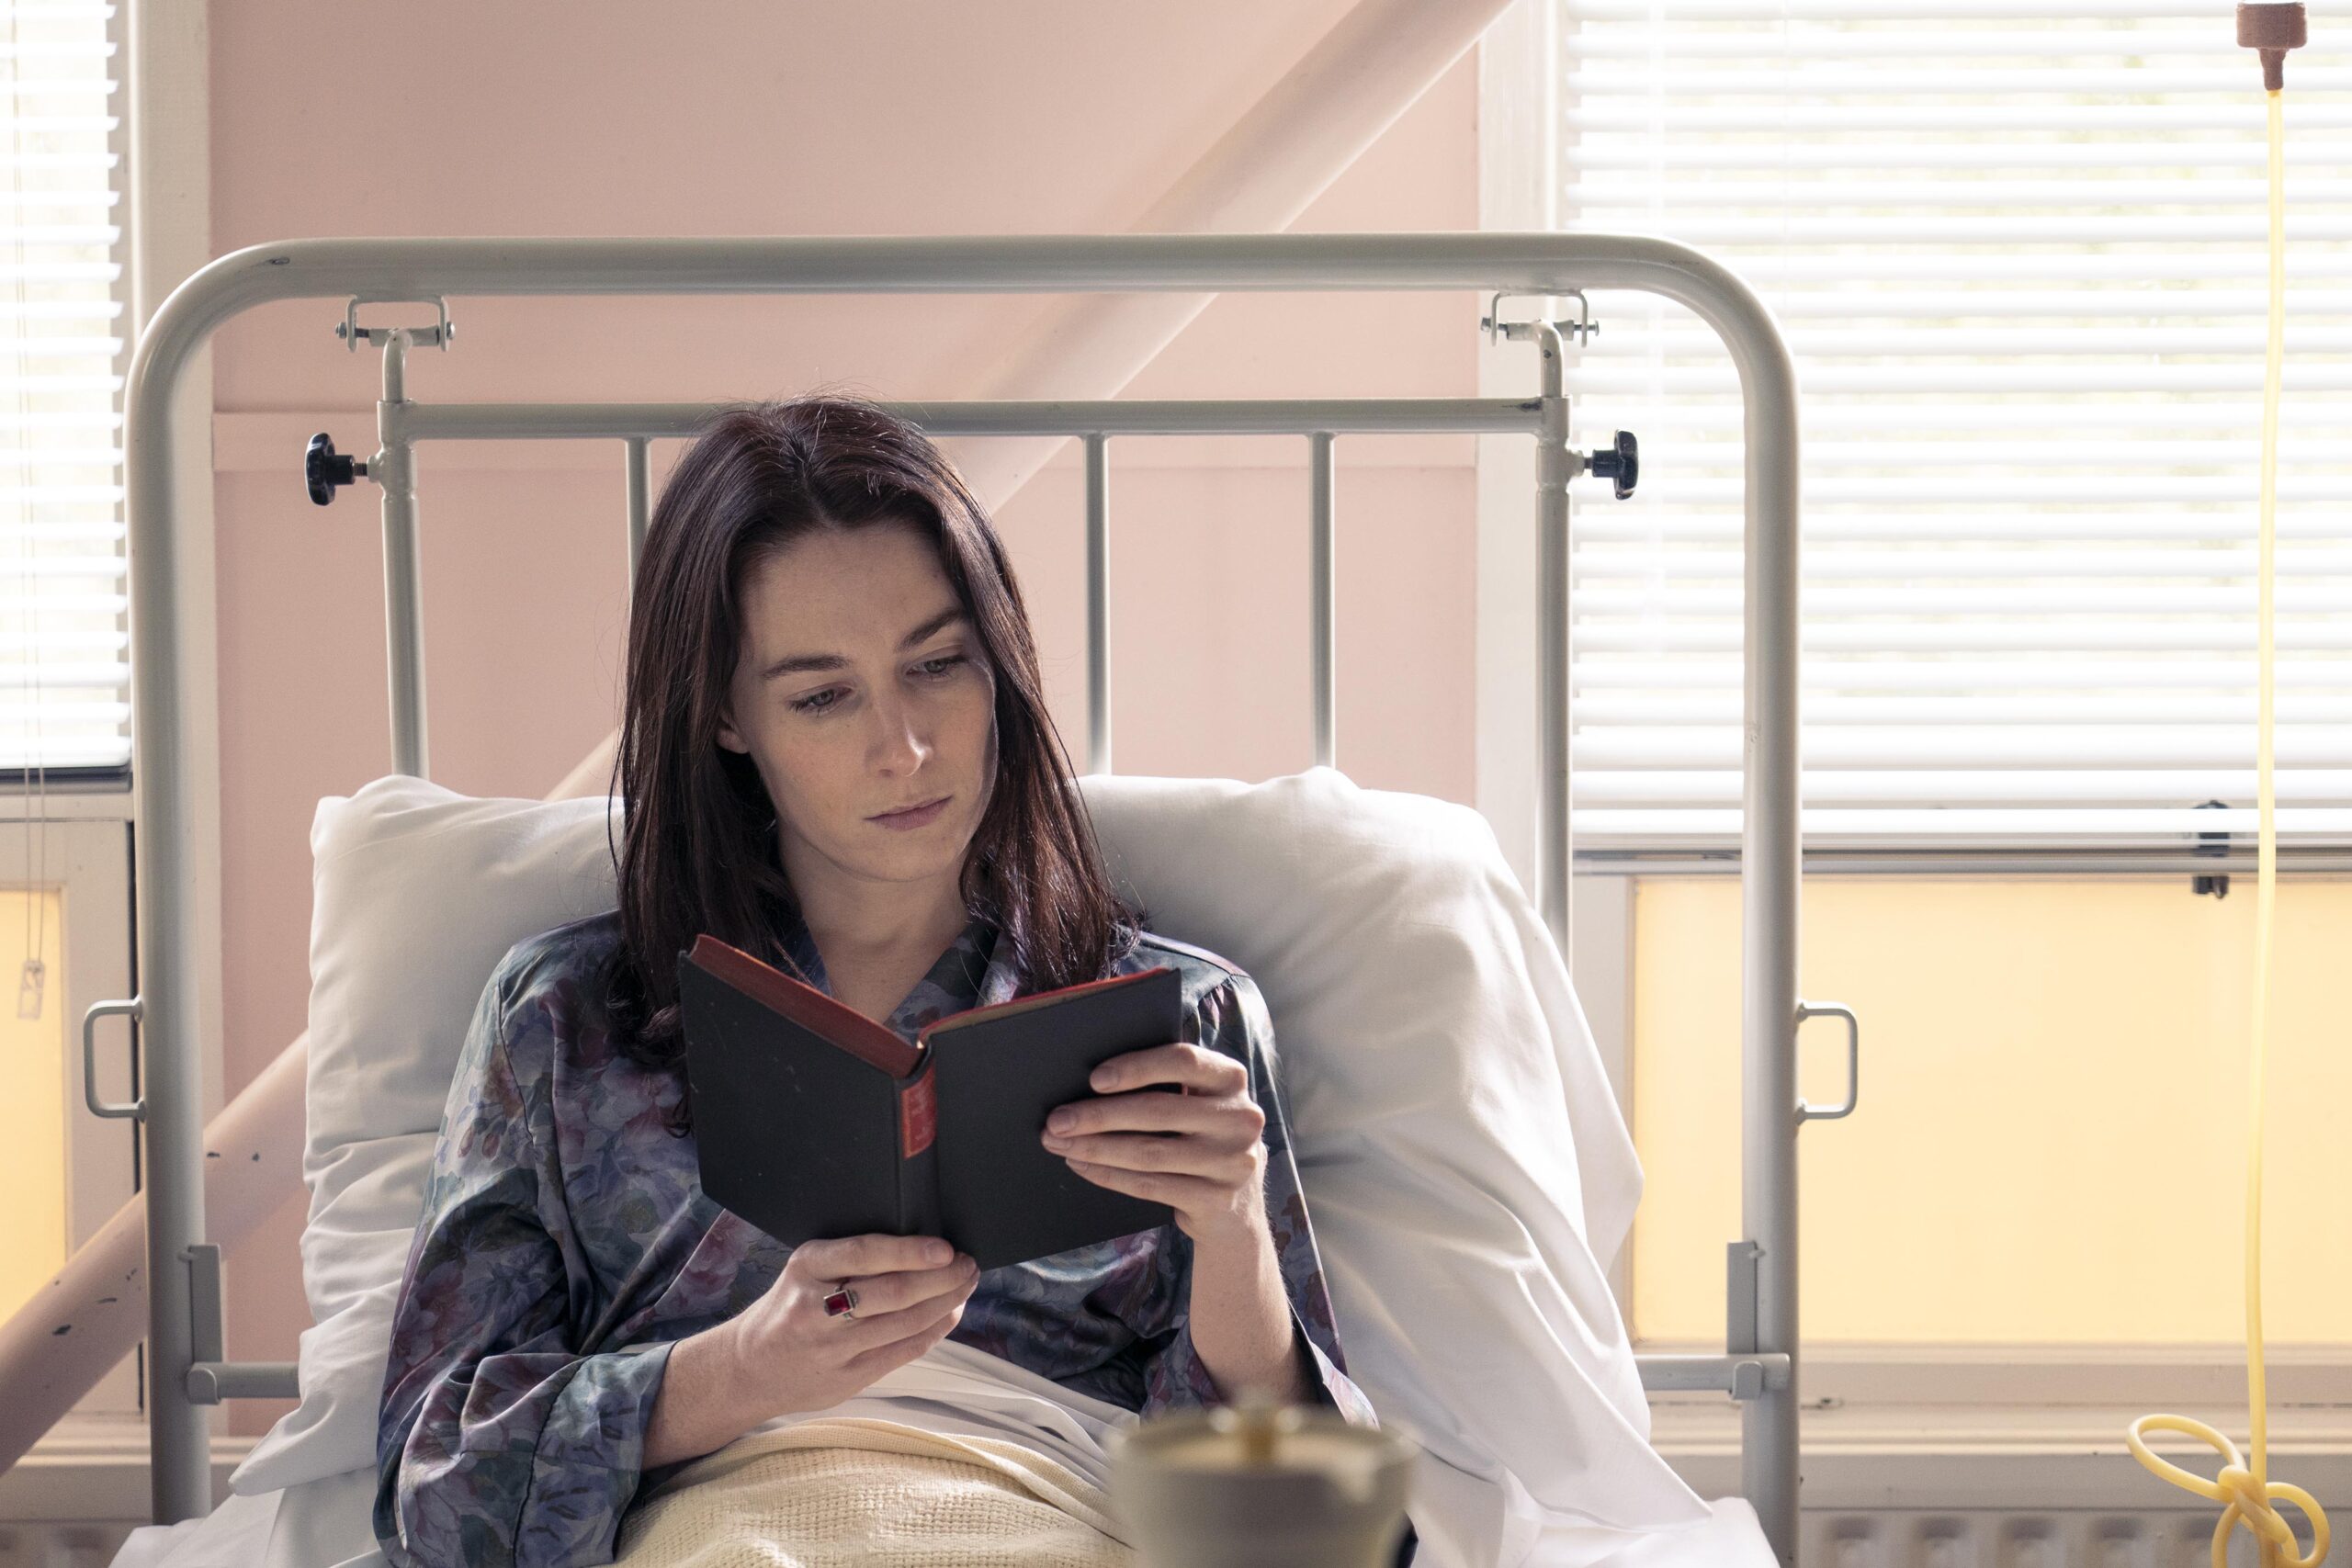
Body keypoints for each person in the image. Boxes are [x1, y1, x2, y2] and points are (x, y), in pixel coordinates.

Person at [371, 396, 1400, 1568]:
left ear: (998, 666)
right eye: (822, 695)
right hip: (721, 1526)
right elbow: (435, 1486)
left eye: (937, 664)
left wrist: (1232, 1233)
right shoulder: (563, 1023)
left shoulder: (1179, 1019)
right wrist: (740, 1372)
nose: (903, 748)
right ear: (725, 716)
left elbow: (1305, 1524)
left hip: (1057, 1512)